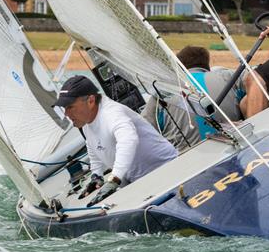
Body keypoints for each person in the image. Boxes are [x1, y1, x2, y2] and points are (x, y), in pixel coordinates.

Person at [53, 75, 177, 205]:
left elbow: (129, 140)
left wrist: (114, 179)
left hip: (166, 172)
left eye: (70, 107)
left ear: (90, 101)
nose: (66, 113)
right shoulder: (87, 122)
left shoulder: (111, 114)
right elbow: (94, 146)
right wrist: (97, 175)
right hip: (140, 184)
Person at [141, 46, 243, 151]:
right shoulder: (227, 77)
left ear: (179, 67)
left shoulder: (163, 92)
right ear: (206, 64)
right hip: (234, 147)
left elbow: (143, 131)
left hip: (188, 159)